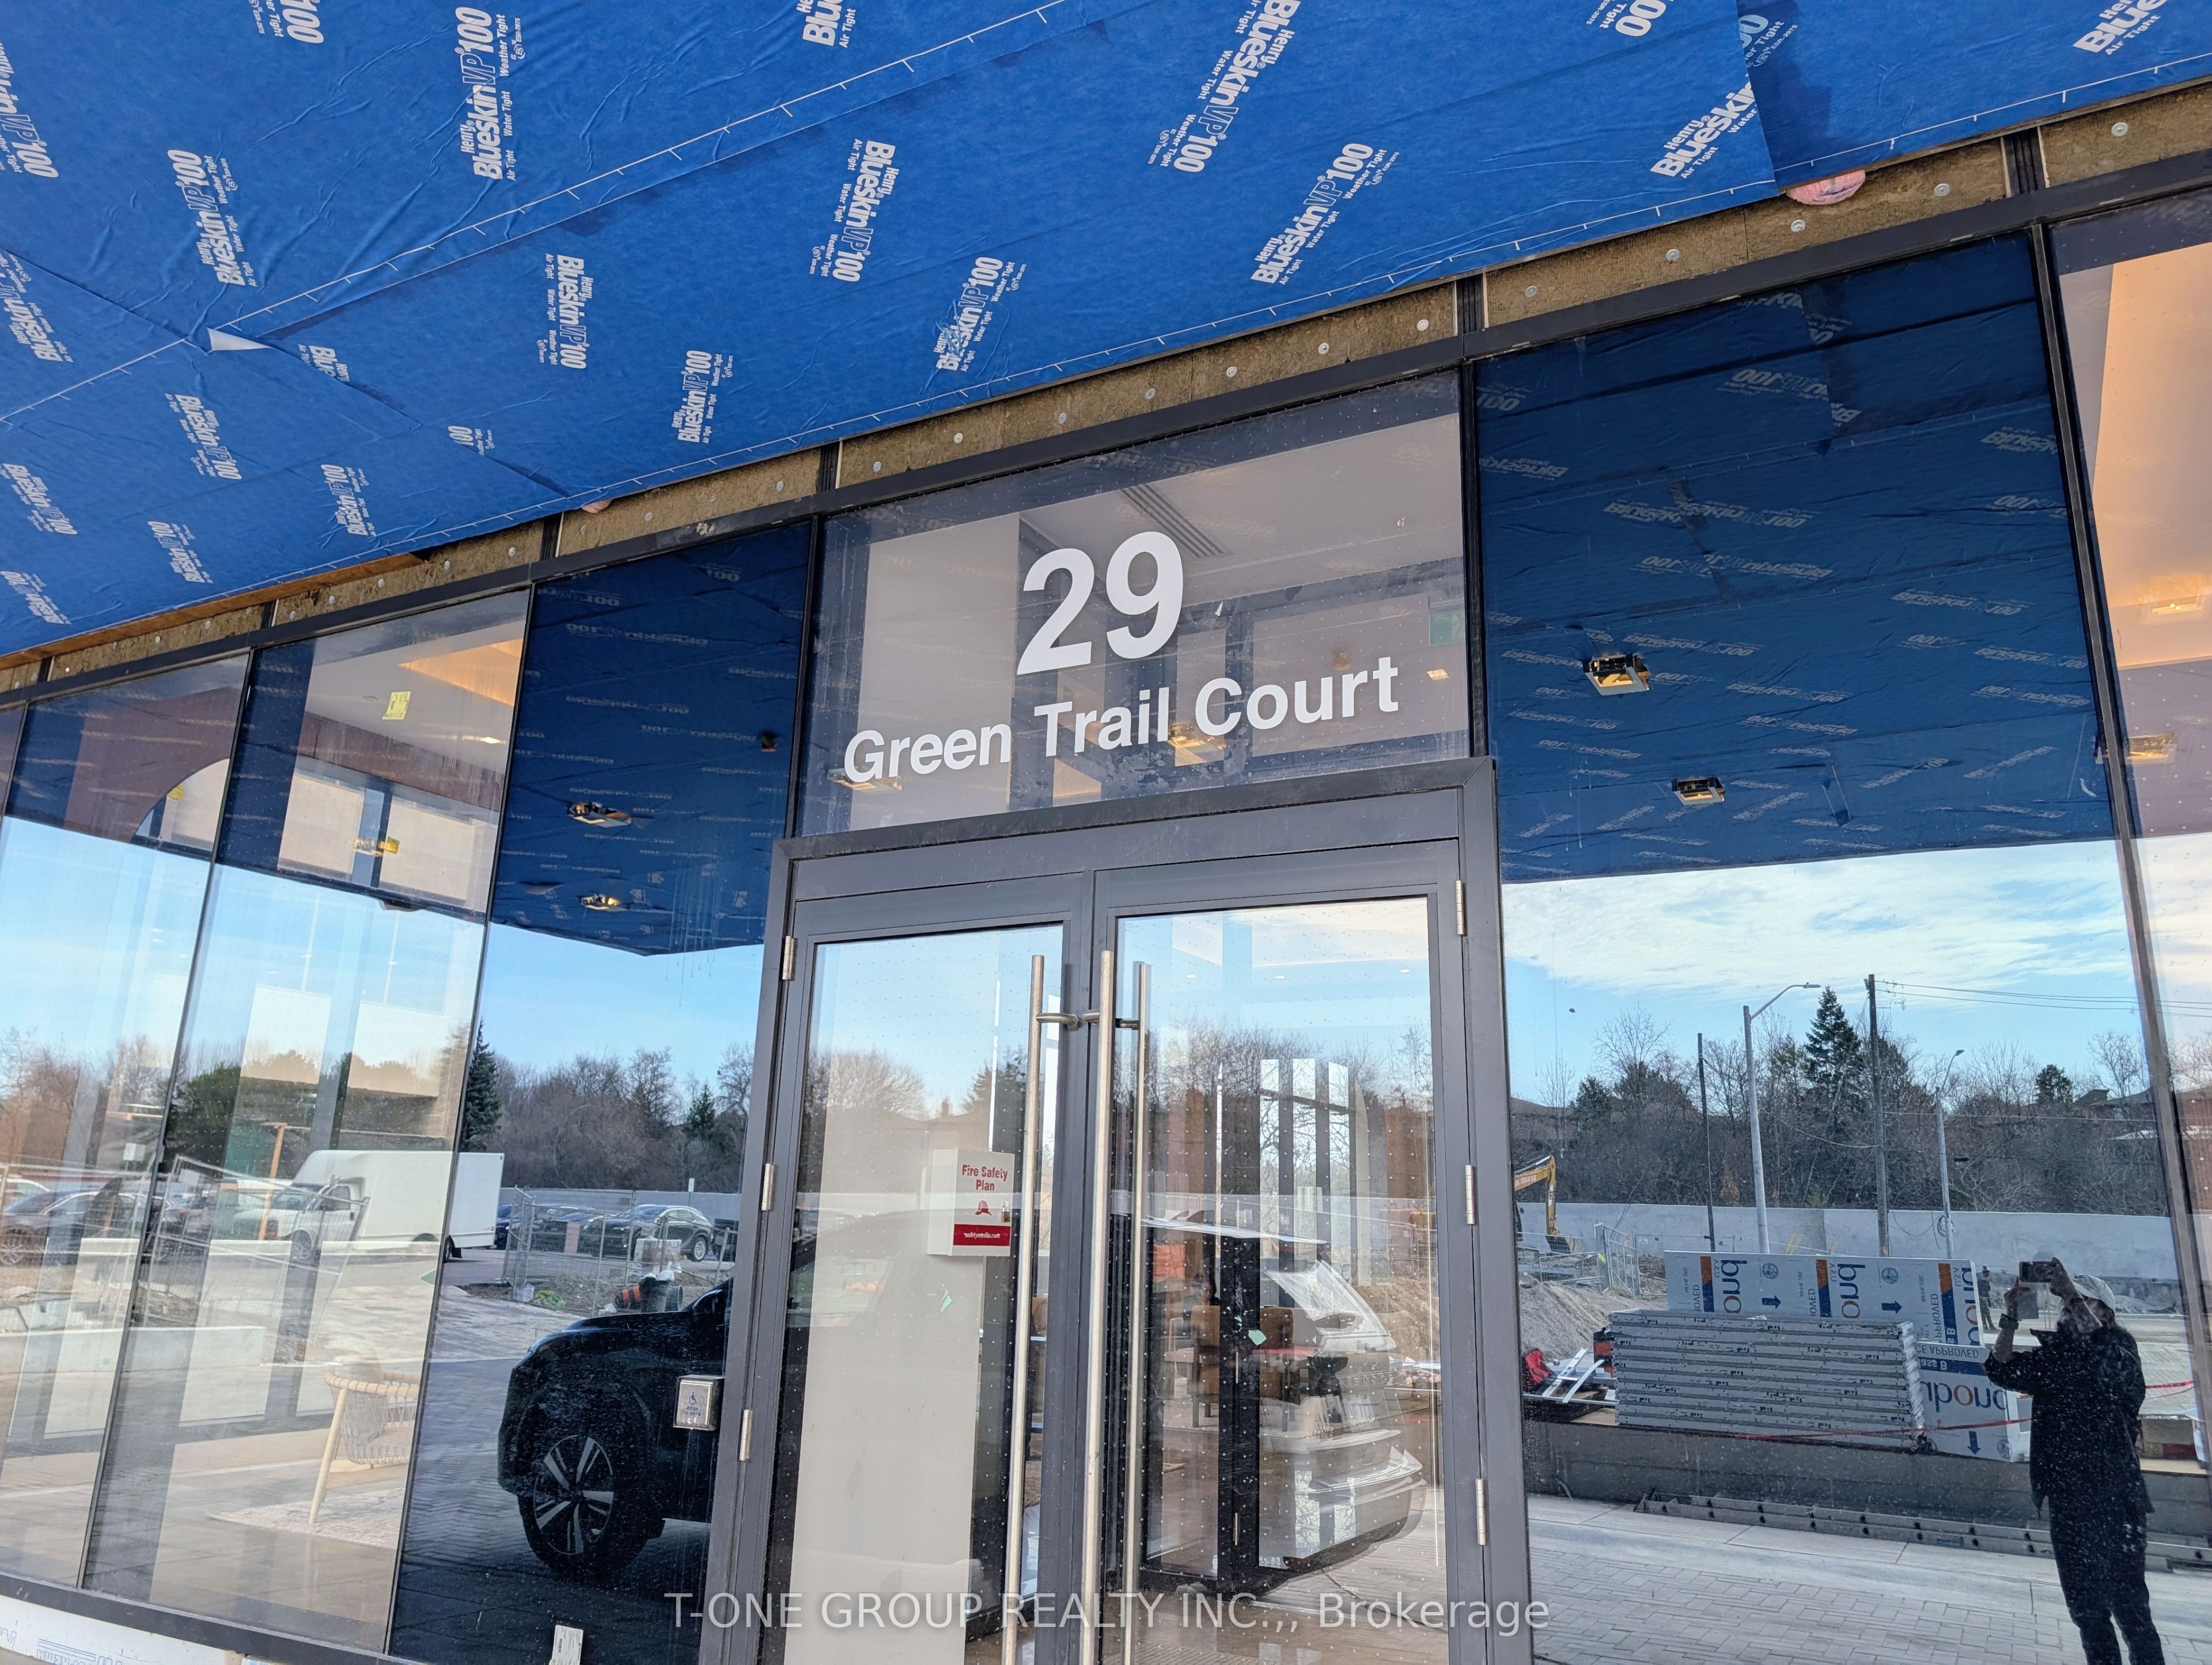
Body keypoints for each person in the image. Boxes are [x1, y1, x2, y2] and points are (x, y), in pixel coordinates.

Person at [1984, 1258, 2165, 1665]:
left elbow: (2106, 1360)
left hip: (2115, 1497)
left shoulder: (2119, 1351)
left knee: (2131, 1610)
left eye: (2080, 1302)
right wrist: (2010, 1317)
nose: (2068, 1308)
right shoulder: (2058, 1357)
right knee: (2087, 1612)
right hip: (2069, 1499)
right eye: (2067, 1302)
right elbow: (2001, 1368)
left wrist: (2068, 1288)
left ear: (2106, 1312)